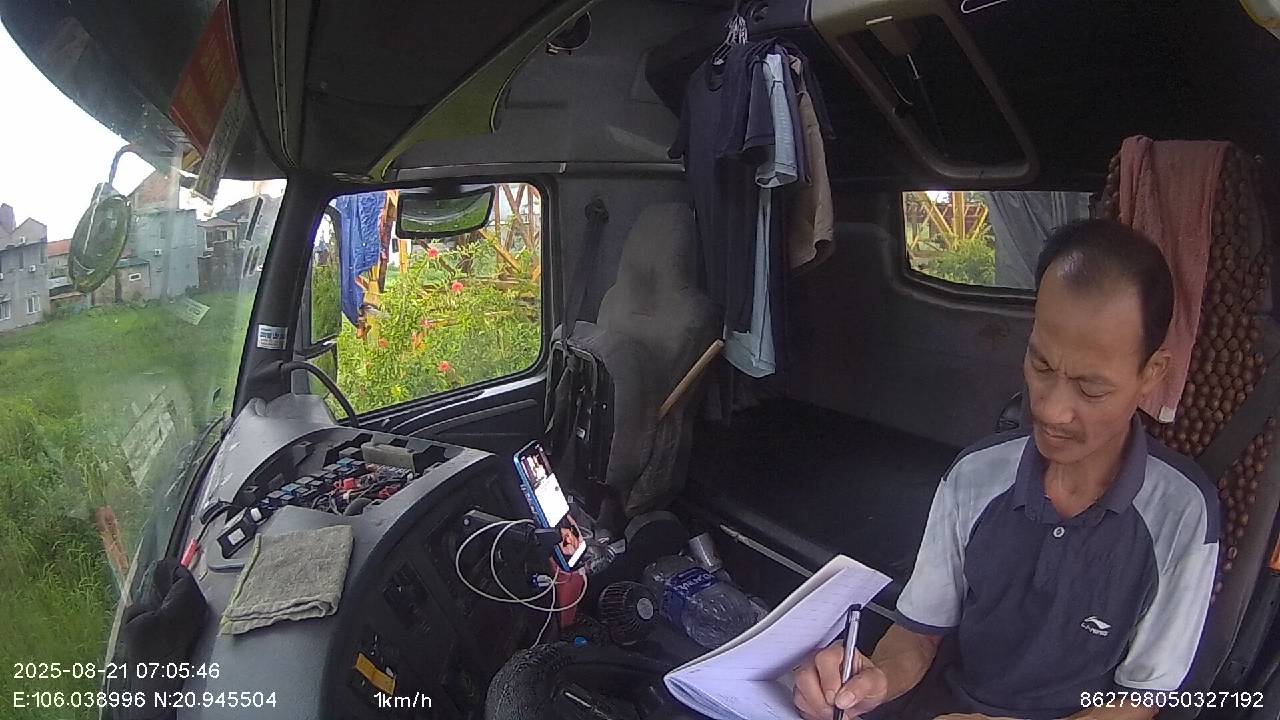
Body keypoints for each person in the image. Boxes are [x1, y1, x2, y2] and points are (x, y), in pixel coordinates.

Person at [793, 220, 1219, 720]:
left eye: (1091, 388)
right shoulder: (974, 476)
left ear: (1151, 374)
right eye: (1041, 365)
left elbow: (1140, 701)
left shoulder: (1182, 513)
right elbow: (919, 635)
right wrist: (874, 681)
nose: (1051, 410)